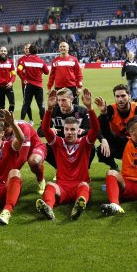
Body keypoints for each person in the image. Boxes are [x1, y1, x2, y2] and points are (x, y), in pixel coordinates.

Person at [36, 88, 98, 220]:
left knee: (84, 187)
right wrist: (48, 110)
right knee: (50, 186)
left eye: (72, 130)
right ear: (63, 130)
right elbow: (45, 129)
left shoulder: (85, 144)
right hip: (62, 185)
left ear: (78, 130)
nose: (69, 132)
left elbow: (95, 129)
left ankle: (79, 204)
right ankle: (48, 208)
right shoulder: (58, 143)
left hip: (80, 184)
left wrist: (90, 108)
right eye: (67, 129)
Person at [42, 87, 104, 169]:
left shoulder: (82, 111)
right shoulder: (53, 112)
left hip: (78, 144)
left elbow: (93, 129)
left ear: (71, 99)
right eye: (59, 100)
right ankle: (61, 168)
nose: (60, 103)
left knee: (91, 146)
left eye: (63, 100)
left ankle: (83, 168)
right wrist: (50, 129)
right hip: (60, 144)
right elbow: (40, 130)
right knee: (45, 149)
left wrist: (101, 138)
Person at [96, 84, 137, 171]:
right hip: (116, 143)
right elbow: (96, 127)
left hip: (134, 144)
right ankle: (114, 167)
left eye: (123, 96)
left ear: (129, 96)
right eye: (117, 96)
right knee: (101, 150)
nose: (120, 99)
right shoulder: (110, 109)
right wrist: (102, 139)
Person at [17, 44, 49, 123]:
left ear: (30, 51)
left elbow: (18, 70)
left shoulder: (25, 61)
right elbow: (47, 72)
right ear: (37, 51)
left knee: (26, 104)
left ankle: (21, 121)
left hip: (29, 85)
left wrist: (24, 78)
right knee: (41, 105)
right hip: (38, 86)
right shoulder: (41, 61)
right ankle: (43, 122)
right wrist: (39, 70)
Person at [0, 46, 16, 113]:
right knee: (1, 106)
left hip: (8, 86)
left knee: (12, 103)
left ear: (7, 52)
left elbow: (13, 74)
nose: (3, 52)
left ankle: (9, 117)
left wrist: (11, 82)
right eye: (1, 51)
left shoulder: (10, 62)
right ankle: (3, 120)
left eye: (4, 51)